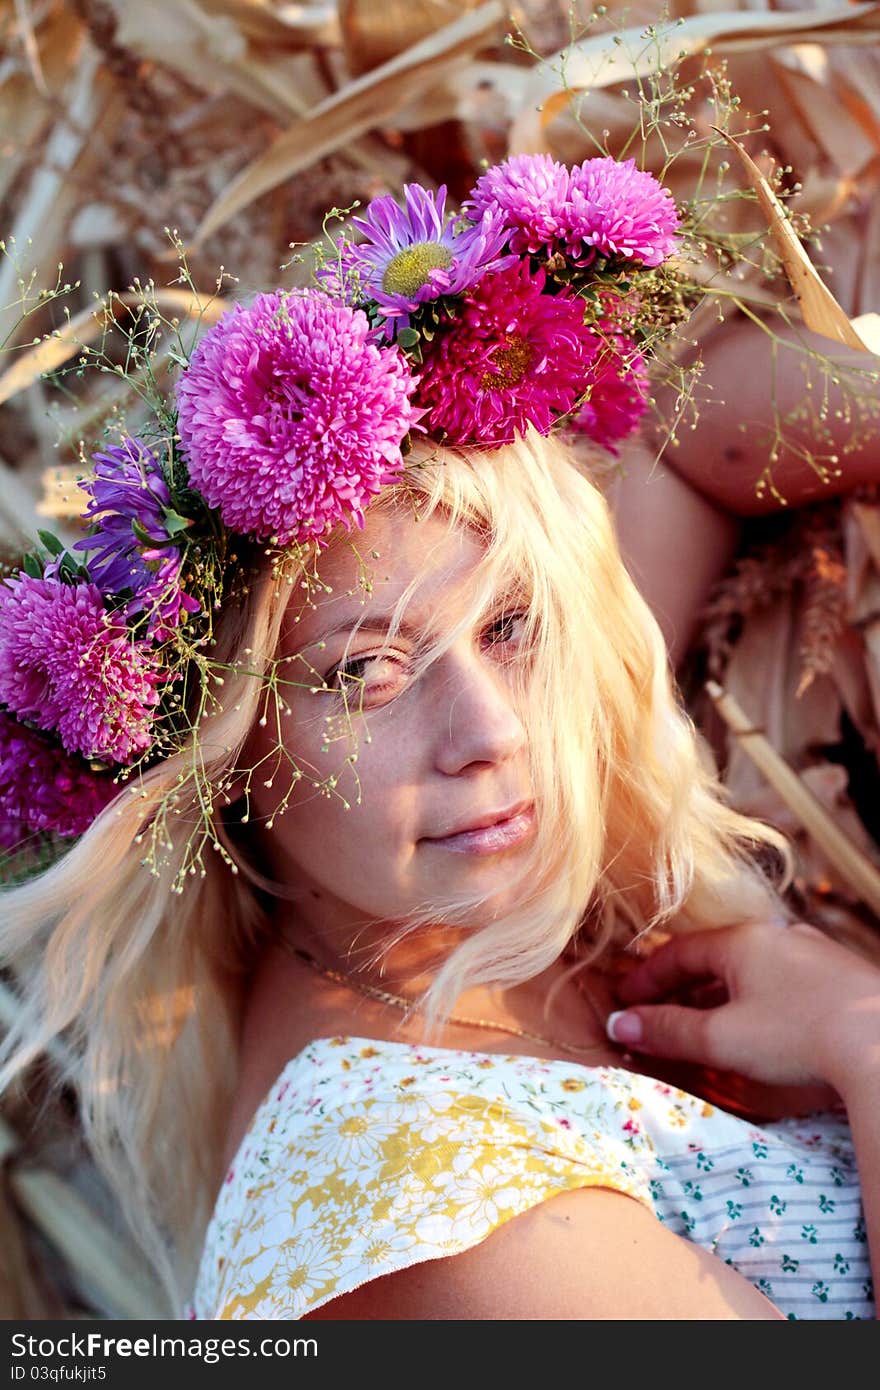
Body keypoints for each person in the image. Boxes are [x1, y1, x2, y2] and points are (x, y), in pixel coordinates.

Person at [0, 157, 877, 1321]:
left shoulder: (461, 887)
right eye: (364, 673)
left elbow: (682, 433)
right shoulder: (440, 1216)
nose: (495, 730)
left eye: (510, 623)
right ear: (227, 761)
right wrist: (854, 1029)